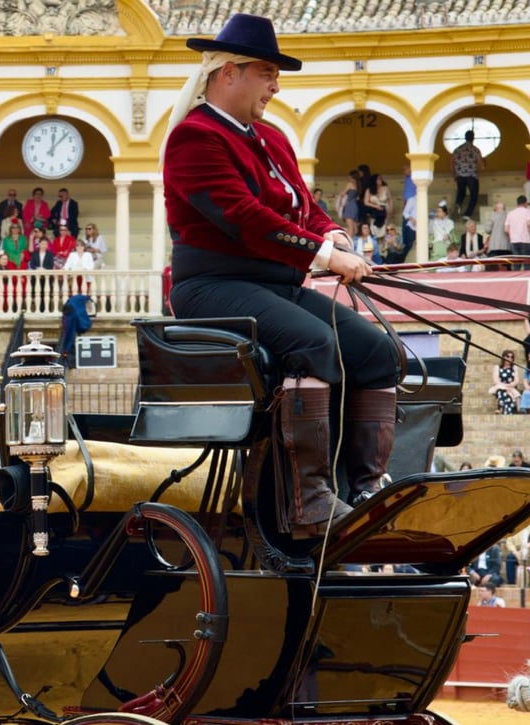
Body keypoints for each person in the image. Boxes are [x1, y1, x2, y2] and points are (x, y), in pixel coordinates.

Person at [163, 14, 399, 536]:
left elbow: (303, 205)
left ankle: (368, 487)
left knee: (378, 351)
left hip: (274, 283)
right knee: (314, 343)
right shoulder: (194, 139)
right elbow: (244, 218)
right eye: (267, 72)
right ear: (228, 73)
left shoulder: (271, 138)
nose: (276, 85)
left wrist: (331, 234)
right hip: (214, 287)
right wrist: (323, 254)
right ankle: (309, 502)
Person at [451, 129, 484, 220]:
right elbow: (481, 164)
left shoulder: (457, 149)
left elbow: (452, 162)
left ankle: (458, 204)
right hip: (471, 175)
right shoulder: (475, 150)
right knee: (474, 194)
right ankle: (467, 214)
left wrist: (454, 174)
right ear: (473, 138)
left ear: (465, 138)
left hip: (460, 175)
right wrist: (482, 165)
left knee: (461, 192)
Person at [491, 349, 521, 415]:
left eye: (512, 357)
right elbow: (495, 380)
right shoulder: (497, 367)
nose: (510, 358)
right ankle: (502, 408)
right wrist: (504, 386)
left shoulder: (514, 367)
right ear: (503, 357)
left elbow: (516, 380)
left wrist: (510, 385)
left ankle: (501, 408)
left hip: (511, 387)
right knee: (502, 391)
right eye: (508, 356)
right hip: (500, 386)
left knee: (509, 398)